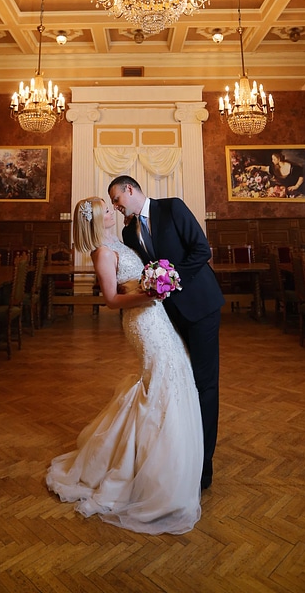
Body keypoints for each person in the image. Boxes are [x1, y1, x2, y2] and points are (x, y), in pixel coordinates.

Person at [46, 196, 203, 535]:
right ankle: (151, 470)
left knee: (176, 372)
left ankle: (171, 462)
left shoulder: (117, 241)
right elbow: (112, 300)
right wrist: (150, 294)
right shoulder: (102, 253)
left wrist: (155, 284)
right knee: (160, 380)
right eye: (106, 209)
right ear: (96, 220)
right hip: (141, 323)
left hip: (156, 317)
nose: (111, 211)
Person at [108, 175, 224, 492]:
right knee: (179, 381)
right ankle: (180, 455)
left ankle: (204, 466)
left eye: (117, 201)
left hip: (201, 307)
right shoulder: (127, 233)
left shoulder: (172, 208)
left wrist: (171, 276)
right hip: (168, 316)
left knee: (205, 384)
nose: (117, 208)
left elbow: (202, 250)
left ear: (129, 190)